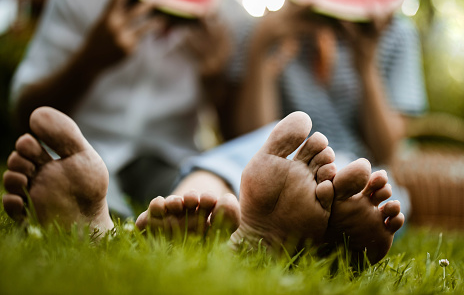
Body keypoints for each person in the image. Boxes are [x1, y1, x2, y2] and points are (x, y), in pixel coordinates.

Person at [172, 0, 428, 235]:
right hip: (275, 163)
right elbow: (254, 136)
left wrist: (365, 64)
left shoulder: (395, 33)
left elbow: (387, 151)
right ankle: (194, 201)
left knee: (372, 192)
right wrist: (261, 48)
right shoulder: (256, 29)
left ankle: (311, 219)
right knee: (234, 165)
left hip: (357, 168)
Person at [8, 0, 251, 217]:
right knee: (84, 177)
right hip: (84, 149)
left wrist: (215, 82)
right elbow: (24, 112)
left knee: (196, 192)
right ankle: (87, 202)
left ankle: (172, 215)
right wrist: (88, 61)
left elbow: (235, 140)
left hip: (172, 161)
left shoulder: (229, 14)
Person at [2, 106, 404, 264]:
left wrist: (366, 56)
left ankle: (319, 228)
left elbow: (391, 145)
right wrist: (266, 45)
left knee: (377, 180)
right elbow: (247, 119)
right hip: (268, 147)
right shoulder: (246, 18)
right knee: (268, 140)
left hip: (350, 155)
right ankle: (261, 230)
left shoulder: (392, 32)